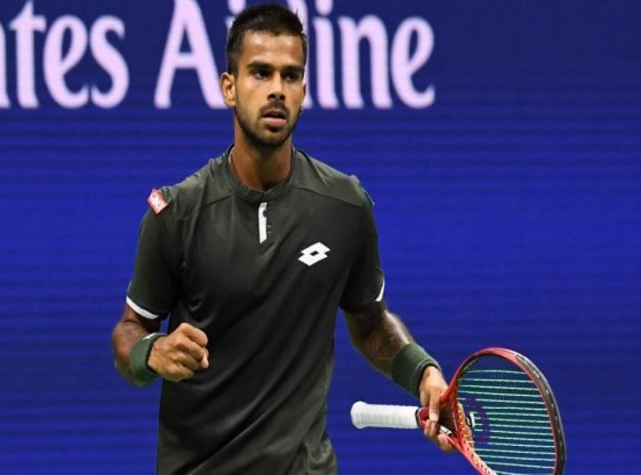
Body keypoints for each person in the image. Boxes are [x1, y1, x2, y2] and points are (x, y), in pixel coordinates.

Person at [112, 3, 450, 474]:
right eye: (260, 73)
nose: (276, 89)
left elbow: (371, 324)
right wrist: (152, 350)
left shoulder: (345, 205)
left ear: (303, 92)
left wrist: (424, 374)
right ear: (229, 87)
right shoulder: (178, 214)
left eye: (290, 76)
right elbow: (129, 331)